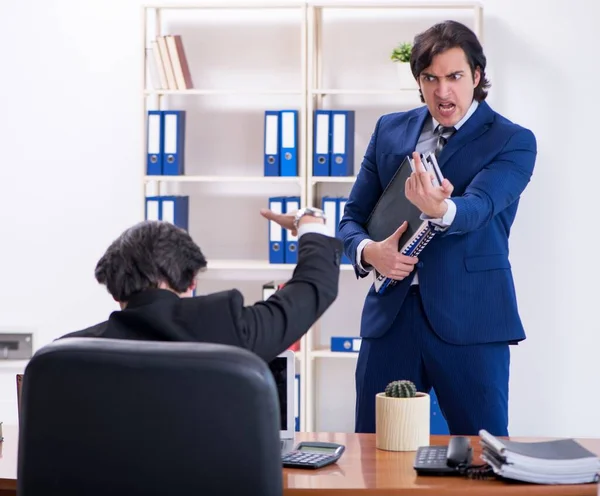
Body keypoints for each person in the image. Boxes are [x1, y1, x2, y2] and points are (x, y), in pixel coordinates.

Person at [338, 20, 537, 436]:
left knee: (482, 459)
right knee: (376, 455)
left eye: (454, 77)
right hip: (391, 319)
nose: (442, 91)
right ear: (418, 81)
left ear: (477, 76)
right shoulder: (390, 129)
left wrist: (441, 208)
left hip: (471, 320)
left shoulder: (512, 140)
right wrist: (369, 252)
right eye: (430, 78)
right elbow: (351, 219)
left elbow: (480, 206)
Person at [59, 206, 341, 363]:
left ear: (115, 291)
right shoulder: (226, 328)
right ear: (190, 282)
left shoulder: (66, 353)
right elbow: (314, 285)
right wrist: (309, 222)